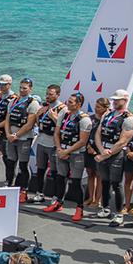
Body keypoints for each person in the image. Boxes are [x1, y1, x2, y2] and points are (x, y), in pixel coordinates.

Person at [46, 92, 93, 223]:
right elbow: (57, 133)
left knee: (76, 182)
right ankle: (58, 203)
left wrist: (67, 151)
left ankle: (79, 208)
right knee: (60, 178)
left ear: (79, 104)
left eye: (71, 102)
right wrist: (60, 149)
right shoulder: (64, 114)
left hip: (77, 154)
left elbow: (83, 141)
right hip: (62, 150)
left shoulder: (84, 119)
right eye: (68, 100)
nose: (67, 103)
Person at [94, 90, 133, 226]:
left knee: (116, 184)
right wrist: (101, 150)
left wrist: (108, 153)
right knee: (105, 181)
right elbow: (98, 133)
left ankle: (119, 213)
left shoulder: (129, 119)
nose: (115, 102)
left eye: (118, 100)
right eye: (114, 99)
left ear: (125, 100)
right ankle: (105, 207)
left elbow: (123, 141)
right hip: (103, 151)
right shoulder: (107, 114)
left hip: (116, 153)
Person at [4, 78, 40, 203]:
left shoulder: (33, 103)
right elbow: (7, 118)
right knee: (10, 162)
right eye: (20, 87)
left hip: (24, 138)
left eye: (25, 88)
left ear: (30, 89)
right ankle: (8, 185)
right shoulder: (13, 101)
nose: (22, 90)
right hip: (11, 137)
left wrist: (17, 135)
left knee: (22, 165)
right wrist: (8, 134)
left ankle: (23, 190)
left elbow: (30, 124)